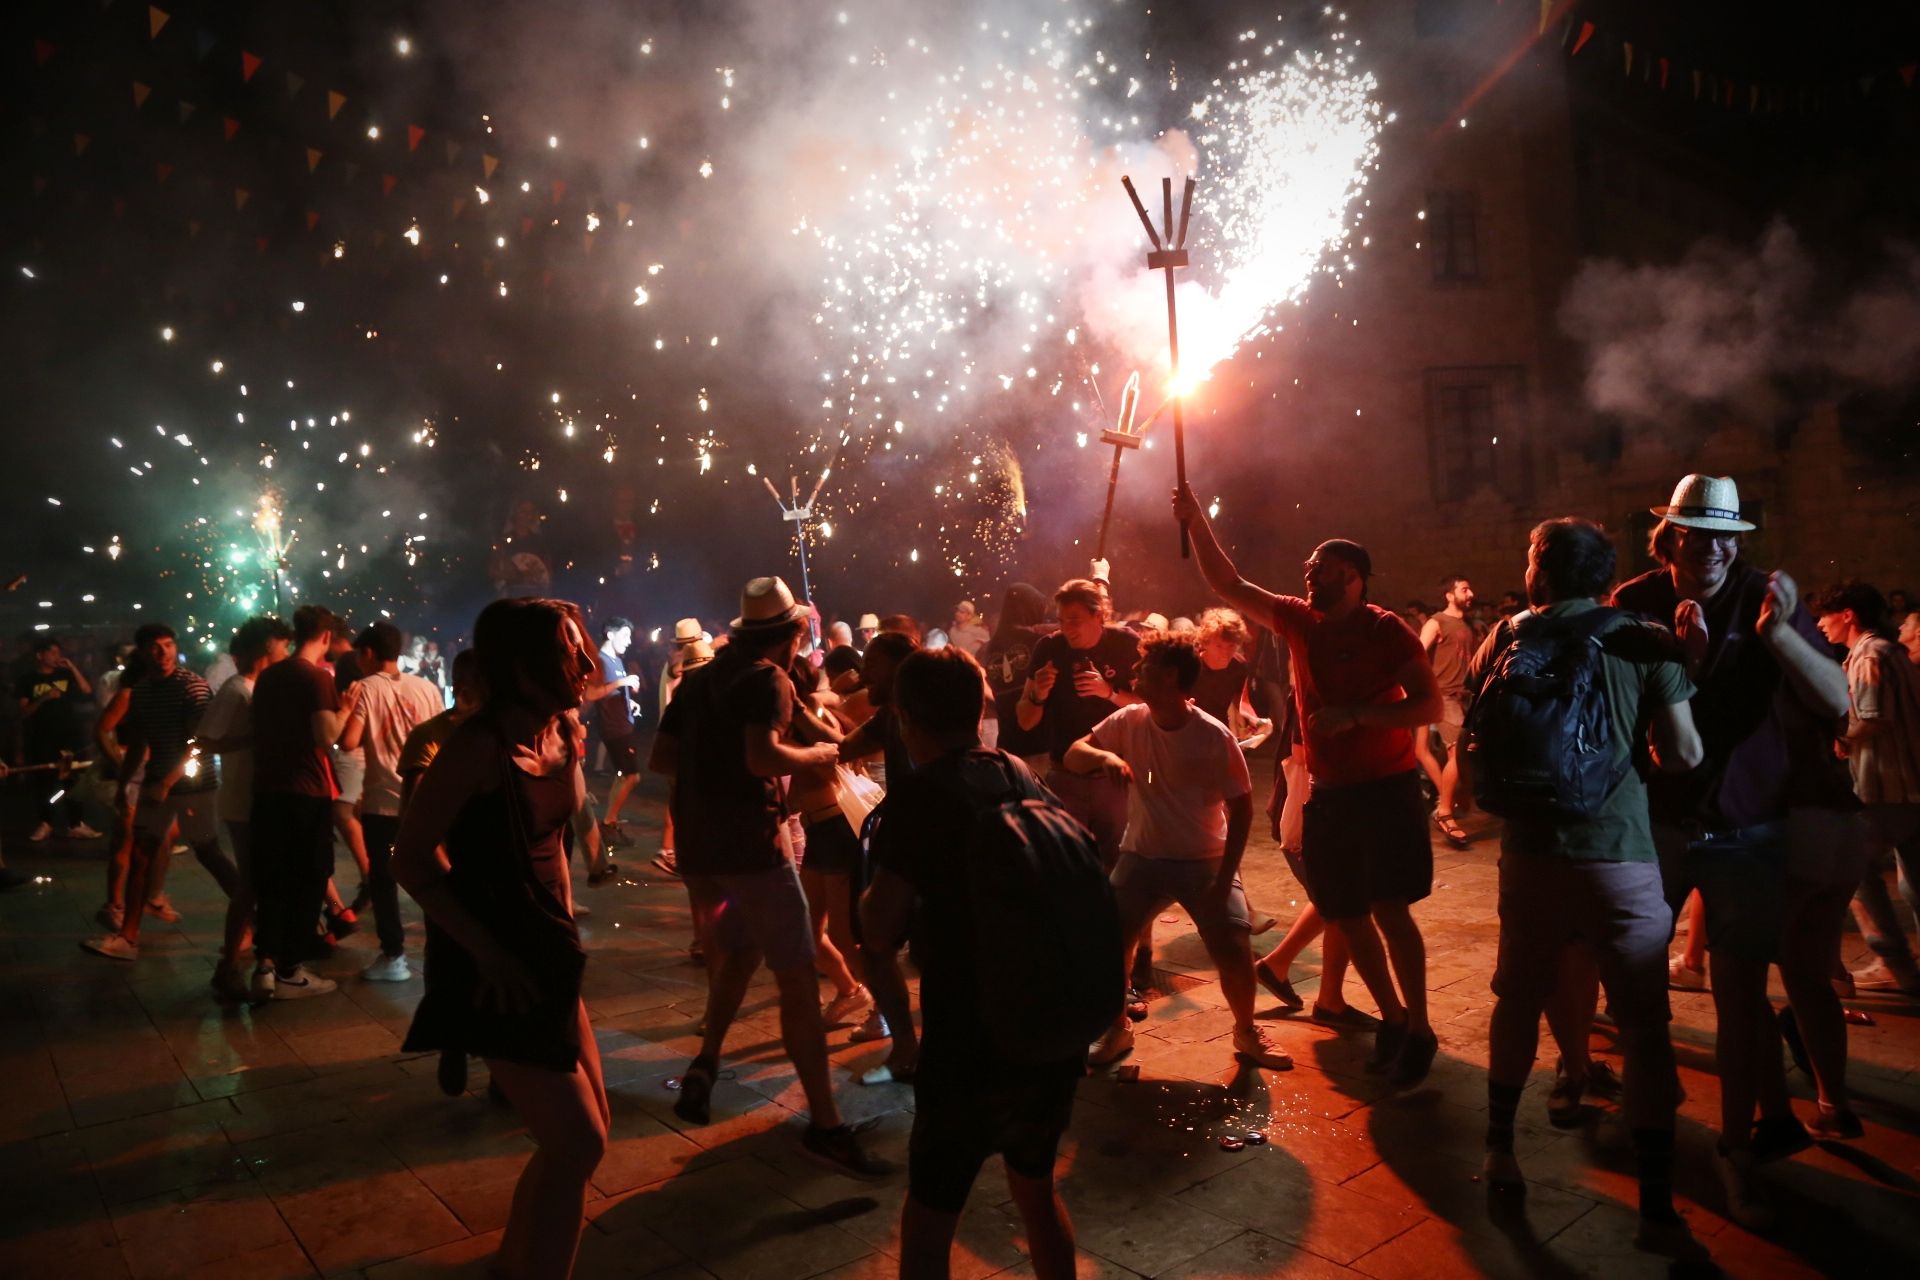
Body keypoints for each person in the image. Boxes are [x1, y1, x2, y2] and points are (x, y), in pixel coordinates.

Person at [1611, 474, 1851, 1229]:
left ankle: (1738, 1147)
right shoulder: (1635, 602)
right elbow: (1618, 713)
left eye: (1726, 535)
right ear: (1669, 537)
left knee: (1741, 995)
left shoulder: (1765, 595)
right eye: (1697, 533)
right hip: (1658, 822)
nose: (1713, 548)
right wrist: (1682, 663)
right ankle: (1648, 1117)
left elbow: (1838, 699)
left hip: (1749, 825)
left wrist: (1779, 636)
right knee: (1636, 982)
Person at [1464, 519, 1705, 1257]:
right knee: (1644, 1026)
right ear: (1605, 576)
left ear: (1539, 570)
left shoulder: (1504, 636)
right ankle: (1656, 1209)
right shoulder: (1642, 637)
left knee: (1517, 999)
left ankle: (1500, 1151)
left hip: (1530, 856)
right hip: (1618, 857)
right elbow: (1684, 753)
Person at [1174, 484, 1445, 1088]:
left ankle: (1422, 1026)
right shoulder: (1299, 619)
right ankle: (1395, 1019)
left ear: (1353, 577)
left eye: (1320, 568)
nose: (1308, 574)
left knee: (1390, 909)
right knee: (1346, 911)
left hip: (1387, 788)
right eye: (1309, 567)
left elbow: (1429, 706)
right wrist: (1194, 521)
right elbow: (1229, 584)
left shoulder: (1386, 630)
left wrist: (1358, 716)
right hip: (1330, 792)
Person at [394, 598, 606, 1280]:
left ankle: (514, 1266)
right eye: (568, 650)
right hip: (497, 969)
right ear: (521, 666)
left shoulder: (562, 729)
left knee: (583, 1142)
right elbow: (411, 859)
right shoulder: (476, 748)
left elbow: (557, 837)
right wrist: (485, 949)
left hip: (549, 957)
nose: (585, 661)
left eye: (581, 645)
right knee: (577, 1142)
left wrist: (565, 926)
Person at [650, 576, 890, 1177]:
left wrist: (711, 782)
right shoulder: (768, 679)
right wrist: (816, 756)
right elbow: (764, 757)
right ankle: (827, 1127)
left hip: (701, 851)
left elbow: (662, 758)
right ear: (793, 634)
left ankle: (706, 1061)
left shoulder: (700, 680)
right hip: (752, 849)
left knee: (739, 953)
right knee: (798, 981)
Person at [859, 647, 1083, 1279]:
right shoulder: (1015, 771)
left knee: (930, 1218)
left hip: (968, 1045)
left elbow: (877, 930)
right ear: (978, 707)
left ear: (905, 719)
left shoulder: (919, 797)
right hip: (1046, 1033)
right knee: (1036, 1192)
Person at [1065, 635, 1294, 1072]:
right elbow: (1075, 755)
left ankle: (1247, 1031)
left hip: (1204, 858)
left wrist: (1225, 879)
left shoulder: (1212, 735)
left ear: (1170, 676)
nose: (1135, 672)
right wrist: (1104, 759)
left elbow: (1242, 810)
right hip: (1142, 855)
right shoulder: (1131, 718)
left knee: (1233, 947)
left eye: (1145, 665)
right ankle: (1116, 1028)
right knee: (1109, 937)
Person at [1014, 578, 1149, 992]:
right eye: (1061, 620)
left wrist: (1109, 693)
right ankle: (1074, 959)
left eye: (1074, 619)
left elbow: (1150, 705)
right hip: (1064, 775)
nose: (1066, 628)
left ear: (1098, 615)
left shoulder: (1126, 644)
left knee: (1126, 870)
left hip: (1118, 775)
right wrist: (1037, 694)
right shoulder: (1049, 649)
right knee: (1065, 869)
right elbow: (1024, 720)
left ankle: (1135, 962)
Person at [83, 623, 242, 962]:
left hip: (194, 787)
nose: (163, 653)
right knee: (141, 854)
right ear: (142, 653)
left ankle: (251, 922)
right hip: (155, 785)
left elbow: (198, 743)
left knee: (209, 853)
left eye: (168, 645)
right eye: (155, 647)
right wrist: (125, 783)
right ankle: (128, 937)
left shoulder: (192, 687)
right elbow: (140, 742)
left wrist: (168, 782)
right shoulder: (141, 691)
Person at [1812, 583, 1920, 997]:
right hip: (1909, 784)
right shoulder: (1890, 651)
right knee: (1913, 883)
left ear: (1848, 615)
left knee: (1851, 868)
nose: (1821, 625)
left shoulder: (1870, 654)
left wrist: (1843, 738)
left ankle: (1894, 963)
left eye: (1826, 616)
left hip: (1887, 786)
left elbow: (1873, 716)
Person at [250, 605, 352, 1001]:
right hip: (306, 791)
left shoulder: (269, 675)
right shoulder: (316, 677)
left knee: (272, 879)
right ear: (325, 637)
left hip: (266, 789)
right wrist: (346, 709)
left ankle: (265, 966)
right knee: (310, 878)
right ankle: (291, 969)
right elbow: (327, 736)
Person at [340, 621, 447, 983]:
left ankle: (394, 956)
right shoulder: (427, 688)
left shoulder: (365, 689)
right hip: (426, 798)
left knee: (383, 880)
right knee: (432, 876)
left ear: (368, 653)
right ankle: (442, 949)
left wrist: (345, 709)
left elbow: (349, 741)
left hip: (383, 802)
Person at [196, 616, 294, 999]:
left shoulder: (257, 687)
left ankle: (250, 958)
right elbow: (205, 740)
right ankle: (229, 967)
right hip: (242, 799)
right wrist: (254, 739)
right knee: (250, 883)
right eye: (283, 645)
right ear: (266, 648)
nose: (287, 652)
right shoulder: (236, 690)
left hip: (257, 796)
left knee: (258, 882)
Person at [16, 638, 100, 841]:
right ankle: (46, 823)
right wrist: (44, 698)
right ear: (40, 655)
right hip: (42, 737)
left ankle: (76, 824)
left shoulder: (65, 675)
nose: (57, 657)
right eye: (52, 652)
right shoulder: (28, 680)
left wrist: (73, 668)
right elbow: (24, 712)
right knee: (45, 781)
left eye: (58, 653)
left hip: (69, 735)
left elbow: (87, 691)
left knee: (74, 779)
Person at [1417, 576, 1477, 848]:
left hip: (1461, 697)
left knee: (1422, 750)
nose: (1470, 593)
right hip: (1443, 696)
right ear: (1449, 595)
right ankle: (1445, 810)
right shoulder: (1437, 622)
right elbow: (1417, 653)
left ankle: (1447, 797)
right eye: (1464, 589)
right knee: (1456, 752)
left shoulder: (1467, 624)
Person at [980, 582, 1055, 759]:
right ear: (1030, 609)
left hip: (1008, 745)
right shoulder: (1040, 642)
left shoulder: (988, 649)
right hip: (1042, 742)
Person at [587, 616, 644, 846]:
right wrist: (621, 683)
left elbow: (612, 693)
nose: (629, 641)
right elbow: (591, 694)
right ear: (610, 634)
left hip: (623, 724)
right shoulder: (599, 661)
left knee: (623, 775)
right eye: (625, 635)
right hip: (614, 728)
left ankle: (610, 822)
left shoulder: (617, 660)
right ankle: (609, 823)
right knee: (632, 776)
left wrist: (630, 702)